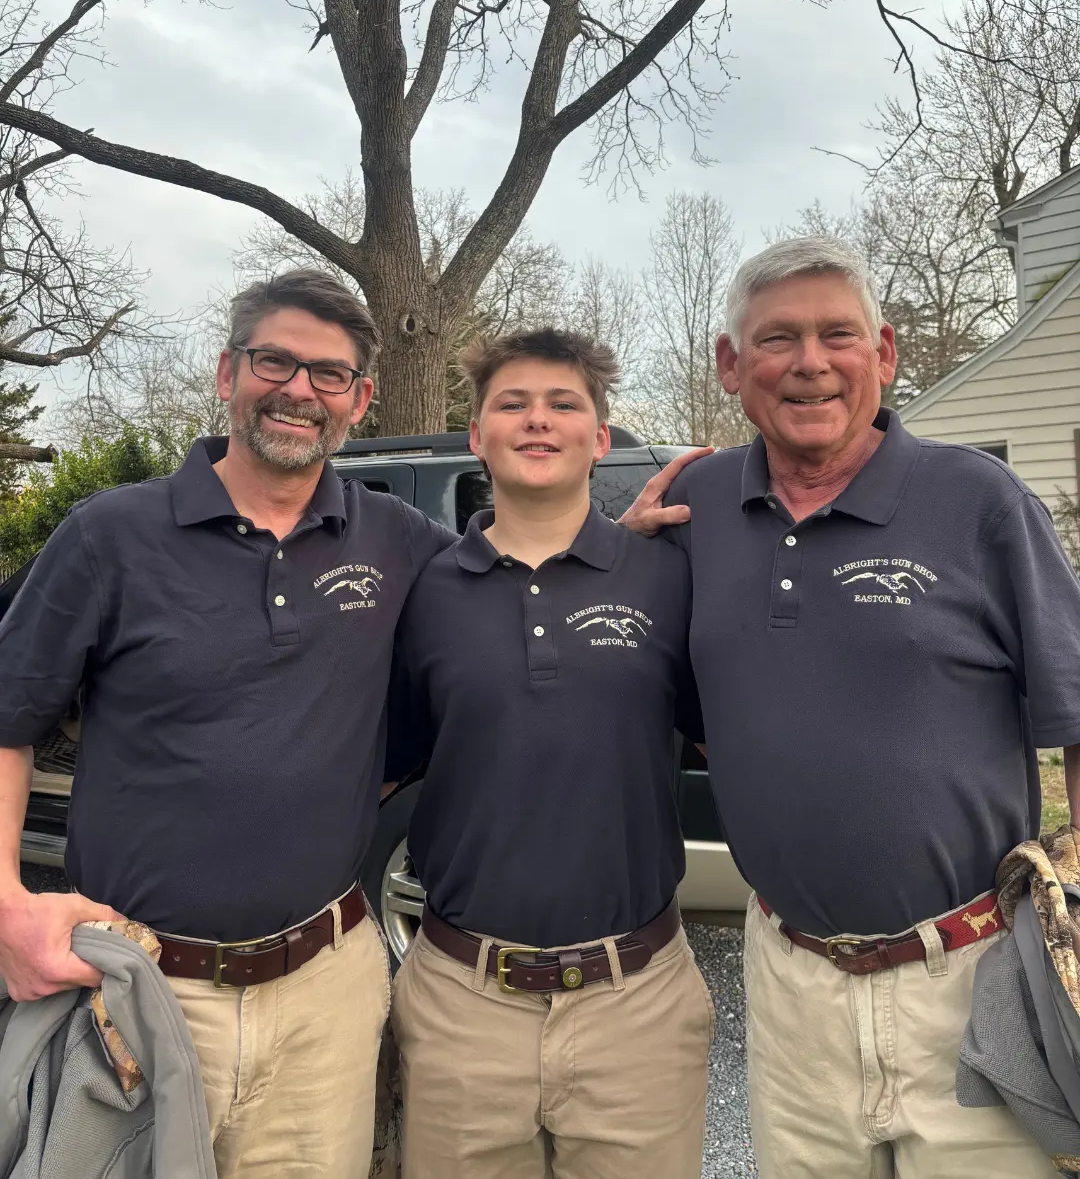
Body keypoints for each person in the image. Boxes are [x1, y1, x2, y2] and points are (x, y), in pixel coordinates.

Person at [625, 236, 1080, 1177]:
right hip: (790, 984)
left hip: (972, 976)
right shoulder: (693, 509)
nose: (809, 363)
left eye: (838, 334)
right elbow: (656, 694)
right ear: (729, 365)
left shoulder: (978, 500)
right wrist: (617, 561)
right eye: (777, 339)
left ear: (884, 354)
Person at [0, 269, 456, 1179]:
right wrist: (7, 903)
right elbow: (7, 718)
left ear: (360, 400)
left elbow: (514, 591)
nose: (298, 390)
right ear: (226, 372)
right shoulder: (110, 536)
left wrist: (627, 555)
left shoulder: (399, 542)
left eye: (328, 375)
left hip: (326, 992)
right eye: (274, 361)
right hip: (137, 991)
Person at [386, 328, 714, 1179]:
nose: (539, 421)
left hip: (638, 1001)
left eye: (564, 404)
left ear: (600, 439)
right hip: (461, 1002)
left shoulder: (668, 579)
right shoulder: (423, 593)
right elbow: (385, 761)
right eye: (513, 404)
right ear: (476, 436)